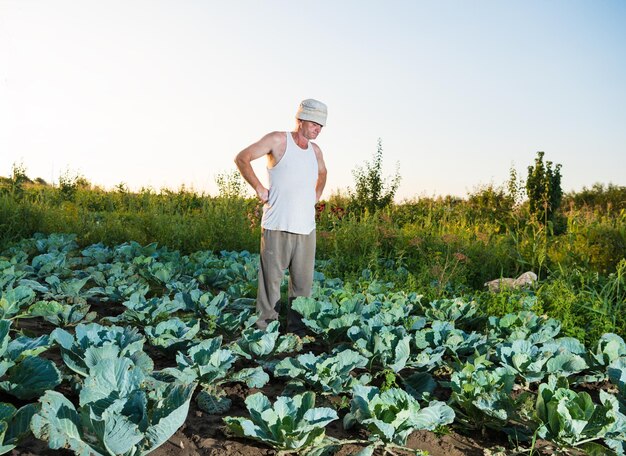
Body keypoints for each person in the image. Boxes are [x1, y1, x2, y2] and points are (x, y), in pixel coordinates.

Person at [234, 99, 328, 334]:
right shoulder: (278, 140)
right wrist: (258, 188)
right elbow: (242, 158)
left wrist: (316, 195)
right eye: (315, 123)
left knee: (303, 286)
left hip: (306, 229)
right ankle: (265, 333)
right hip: (277, 225)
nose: (318, 129)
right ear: (301, 119)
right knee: (271, 285)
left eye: (322, 126)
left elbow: (323, 172)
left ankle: (298, 333)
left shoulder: (316, 151)